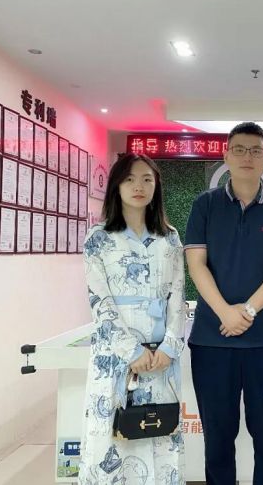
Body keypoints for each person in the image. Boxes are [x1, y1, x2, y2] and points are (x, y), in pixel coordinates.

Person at [184, 122, 263, 485]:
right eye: (239, 149)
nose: (247, 157)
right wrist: (225, 312)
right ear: (226, 155)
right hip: (212, 342)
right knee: (218, 437)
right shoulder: (205, 205)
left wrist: (246, 311)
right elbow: (196, 264)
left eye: (255, 150)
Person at [79, 153, 186, 485]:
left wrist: (169, 347)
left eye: (147, 179)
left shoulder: (170, 238)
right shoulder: (98, 239)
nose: (139, 186)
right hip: (116, 358)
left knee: (159, 433)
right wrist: (131, 351)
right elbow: (100, 301)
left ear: (156, 187)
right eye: (129, 179)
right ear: (116, 185)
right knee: (112, 441)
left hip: (160, 359)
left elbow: (178, 297)